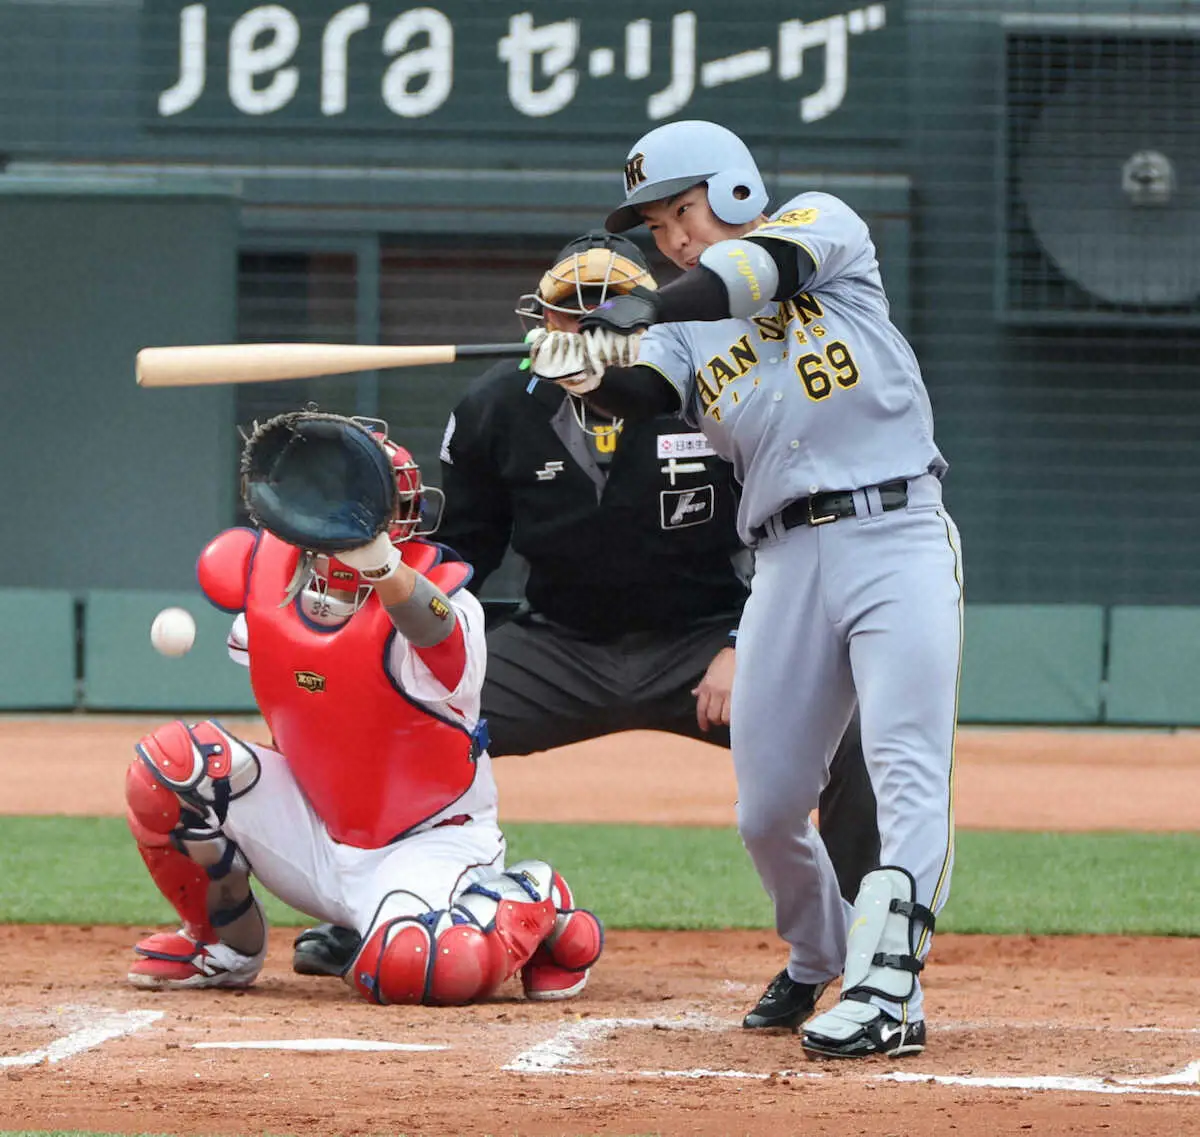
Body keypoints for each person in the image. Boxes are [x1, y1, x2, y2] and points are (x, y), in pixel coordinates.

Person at [291, 232, 882, 1011]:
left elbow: (781, 535)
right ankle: (369, 909)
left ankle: (866, 942)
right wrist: (384, 584)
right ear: (541, 322)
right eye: (569, 314)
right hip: (559, 646)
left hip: (705, 640)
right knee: (393, 714)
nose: (584, 329)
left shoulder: (715, 391)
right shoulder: (495, 407)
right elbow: (464, 555)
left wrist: (744, 641)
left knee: (848, 737)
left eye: (608, 314)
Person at [527, 121, 964, 1058]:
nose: (672, 239)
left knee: (903, 762)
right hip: (786, 559)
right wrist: (584, 375)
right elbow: (643, 394)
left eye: (680, 212)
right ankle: (822, 952)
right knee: (767, 808)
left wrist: (639, 310)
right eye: (657, 227)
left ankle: (891, 987)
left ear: (731, 190)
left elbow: (748, 275)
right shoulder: (684, 327)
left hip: (895, 530)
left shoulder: (821, 226)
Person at [122, 417, 603, 1005]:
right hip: (315, 831)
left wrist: (381, 567)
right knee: (171, 765)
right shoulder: (268, 584)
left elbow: (439, 638)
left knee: (422, 969)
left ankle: (533, 892)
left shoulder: (447, 603)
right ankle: (223, 946)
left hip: (428, 843)